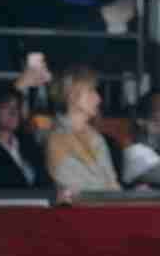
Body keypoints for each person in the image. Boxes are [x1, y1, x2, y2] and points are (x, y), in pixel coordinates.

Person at [44, 65, 120, 199]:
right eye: (91, 91)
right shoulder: (55, 138)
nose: (98, 98)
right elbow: (72, 185)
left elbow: (112, 182)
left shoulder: (97, 138)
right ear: (71, 94)